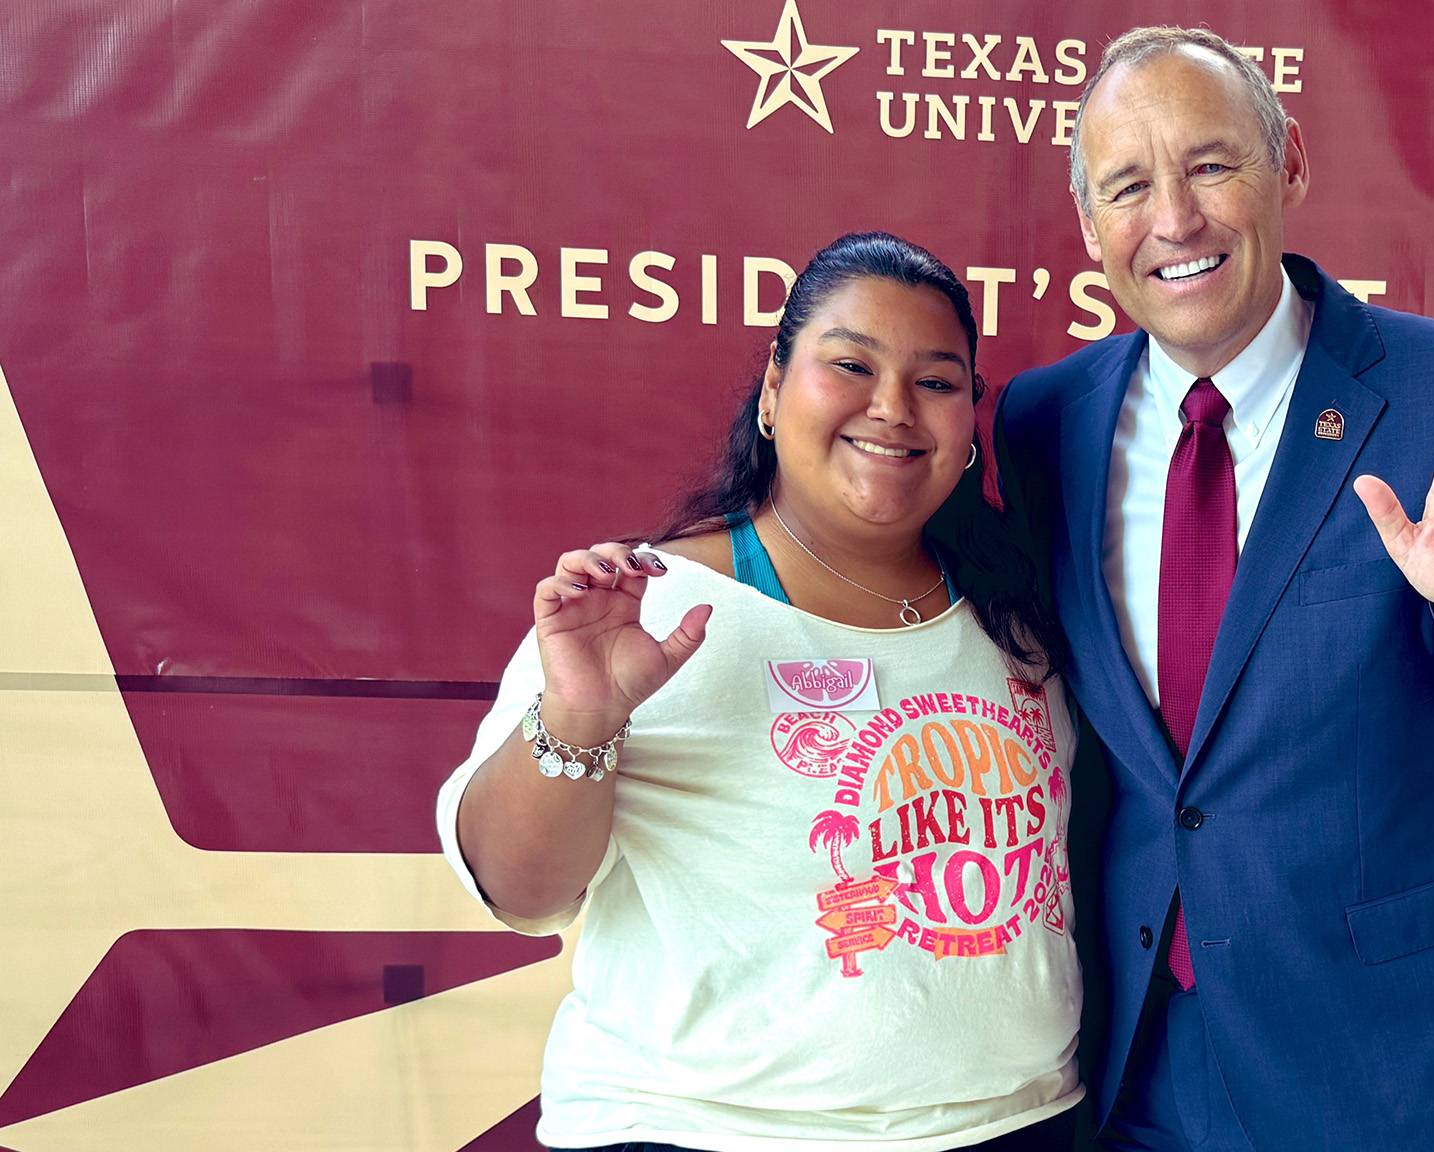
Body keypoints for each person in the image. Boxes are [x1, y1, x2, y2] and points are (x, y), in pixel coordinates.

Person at [994, 27, 1434, 1152]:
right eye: (1128, 187)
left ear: (1289, 163)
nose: (1173, 219)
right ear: (1090, 229)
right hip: (1117, 1060)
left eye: (1211, 164)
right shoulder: (1040, 425)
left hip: (1366, 1069)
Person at [437, 232, 1085, 1151]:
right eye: (850, 365)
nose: (893, 408)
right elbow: (520, 892)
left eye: (937, 382)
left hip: (1018, 1124)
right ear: (774, 392)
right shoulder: (649, 606)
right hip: (712, 1132)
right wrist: (583, 717)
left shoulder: (1020, 612)